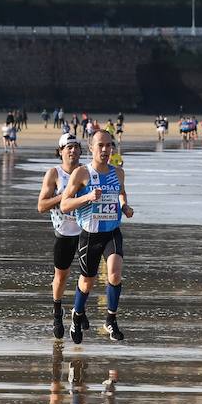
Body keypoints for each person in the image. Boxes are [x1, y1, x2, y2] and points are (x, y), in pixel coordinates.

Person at [59, 130, 134, 343]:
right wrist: (87, 198)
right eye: (100, 145)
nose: (105, 150)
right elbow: (65, 205)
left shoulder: (118, 172)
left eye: (109, 145)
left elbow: (121, 192)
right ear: (91, 148)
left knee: (115, 274)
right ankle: (77, 314)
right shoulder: (82, 174)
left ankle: (110, 319)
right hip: (90, 235)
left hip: (112, 232)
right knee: (87, 283)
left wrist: (124, 206)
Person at [37, 133, 84, 339]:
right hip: (64, 232)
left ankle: (79, 310)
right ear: (61, 151)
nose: (72, 150)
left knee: (87, 275)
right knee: (61, 276)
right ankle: (57, 312)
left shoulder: (86, 172)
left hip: (86, 231)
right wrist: (64, 197)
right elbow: (41, 206)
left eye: (76, 147)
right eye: (68, 147)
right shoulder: (54, 174)